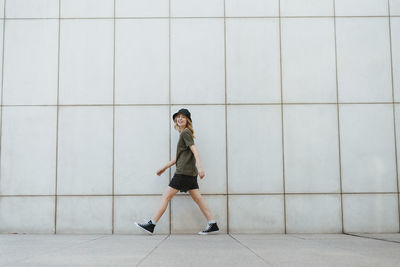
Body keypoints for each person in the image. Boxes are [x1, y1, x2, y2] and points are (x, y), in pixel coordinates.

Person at [135, 108, 219, 235]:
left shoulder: (185, 133)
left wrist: (201, 167)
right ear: (175, 119)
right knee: (198, 198)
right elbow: (179, 157)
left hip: (183, 173)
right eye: (178, 117)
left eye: (183, 117)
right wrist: (164, 168)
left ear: (188, 120)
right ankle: (212, 223)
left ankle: (151, 224)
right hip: (190, 173)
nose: (180, 119)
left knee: (166, 196)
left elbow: (195, 150)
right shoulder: (185, 133)